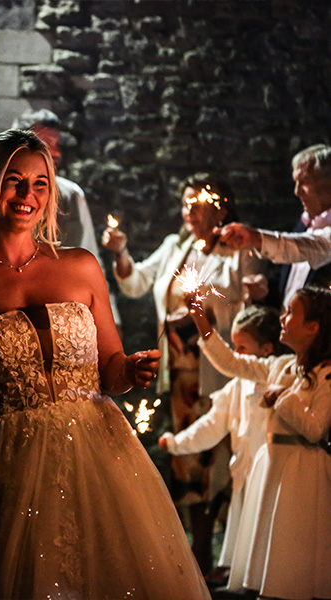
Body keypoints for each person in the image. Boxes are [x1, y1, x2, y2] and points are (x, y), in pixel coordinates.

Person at [0, 128, 208, 599]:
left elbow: (109, 369)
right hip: (9, 455)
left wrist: (130, 370)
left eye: (39, 183)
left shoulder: (81, 266)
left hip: (97, 447)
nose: (27, 195)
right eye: (14, 180)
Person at [102, 172, 264, 573]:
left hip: (219, 369)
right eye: (185, 202)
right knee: (189, 459)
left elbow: (243, 301)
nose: (188, 210)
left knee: (223, 456)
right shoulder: (177, 246)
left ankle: (231, 550)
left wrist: (202, 314)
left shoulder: (236, 249)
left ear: (219, 206)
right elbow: (137, 283)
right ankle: (201, 552)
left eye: (197, 202)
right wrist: (121, 254)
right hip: (182, 376)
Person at [186, 284, 331, 600]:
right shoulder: (279, 366)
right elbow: (232, 364)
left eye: (291, 312)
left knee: (297, 541)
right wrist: (200, 319)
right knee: (272, 541)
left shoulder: (327, 374)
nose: (283, 317)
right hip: (273, 465)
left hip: (303, 469)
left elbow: (316, 429)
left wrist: (282, 397)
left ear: (313, 328)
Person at [159, 305, 283, 582]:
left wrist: (199, 318)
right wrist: (176, 443)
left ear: (266, 349)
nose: (237, 355)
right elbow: (210, 427)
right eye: (235, 347)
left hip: (272, 475)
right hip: (244, 474)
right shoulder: (235, 388)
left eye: (243, 348)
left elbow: (227, 361)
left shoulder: (276, 376)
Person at [12, 108, 123, 330]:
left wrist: (111, 319)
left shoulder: (71, 195)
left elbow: (89, 256)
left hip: (64, 314)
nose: (56, 153)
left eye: (56, 145)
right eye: (46, 144)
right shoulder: (4, 195)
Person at [217, 144, 331, 307]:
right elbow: (293, 285)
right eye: (295, 182)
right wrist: (265, 292)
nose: (297, 192)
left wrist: (255, 238)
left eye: (304, 182)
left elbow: (312, 247)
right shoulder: (304, 224)